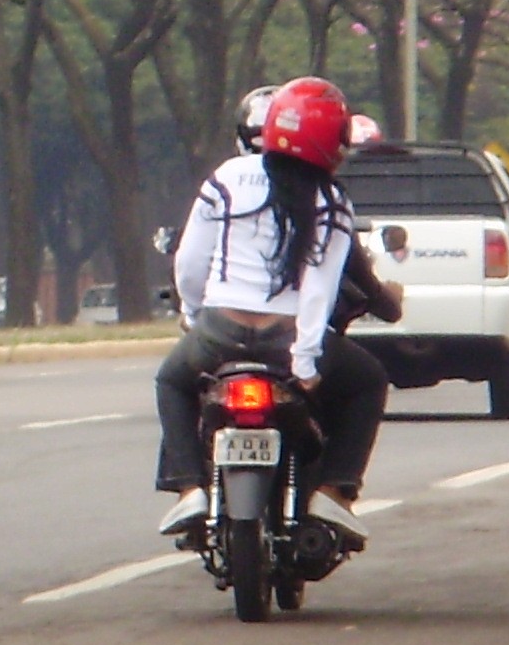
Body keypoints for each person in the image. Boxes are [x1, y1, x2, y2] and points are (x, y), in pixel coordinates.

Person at [154, 77, 388, 543]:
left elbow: (189, 262)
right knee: (368, 381)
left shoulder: (224, 179)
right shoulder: (332, 201)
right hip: (287, 343)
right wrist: (304, 362)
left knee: (172, 380)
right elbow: (318, 292)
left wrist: (195, 314)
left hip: (220, 333)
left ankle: (187, 489)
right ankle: (335, 492)